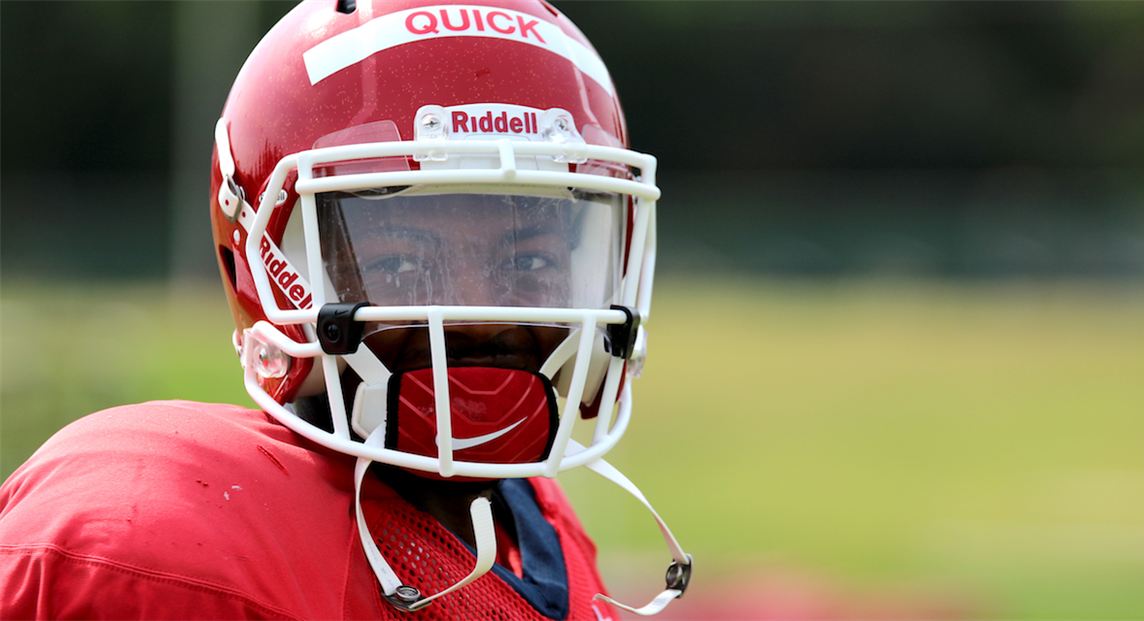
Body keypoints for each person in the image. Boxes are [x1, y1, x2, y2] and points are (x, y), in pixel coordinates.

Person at [0, 1, 691, 619]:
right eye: (401, 264)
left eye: (530, 262)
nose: (483, 315)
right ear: (263, 262)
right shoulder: (165, 553)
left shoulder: (539, 530)